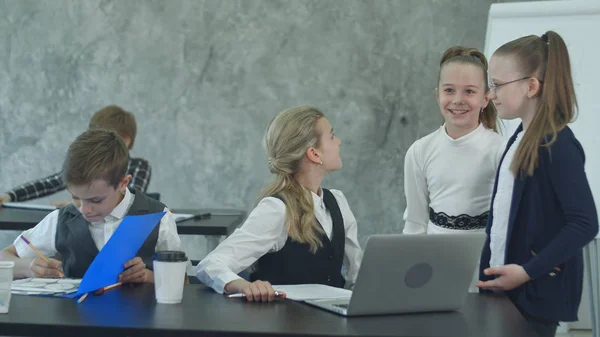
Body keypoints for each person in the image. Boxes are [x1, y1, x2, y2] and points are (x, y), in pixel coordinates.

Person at [477, 31, 598, 337]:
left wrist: (527, 272)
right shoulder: (519, 138)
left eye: (497, 85)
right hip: (506, 292)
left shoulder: (558, 145)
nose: (490, 95)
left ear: (531, 86)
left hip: (534, 297)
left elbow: (584, 223)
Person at [197, 106, 363, 302]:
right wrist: (245, 286)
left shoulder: (338, 202)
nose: (339, 141)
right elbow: (210, 265)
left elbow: (357, 274)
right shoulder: (277, 209)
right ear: (314, 154)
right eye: (332, 136)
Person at [0, 129, 184, 283]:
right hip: (73, 323)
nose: (84, 209)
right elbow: (5, 257)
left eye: (96, 200)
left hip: (140, 323)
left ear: (123, 183)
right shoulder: (61, 220)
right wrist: (29, 268)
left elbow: (183, 282)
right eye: (75, 198)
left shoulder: (157, 217)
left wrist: (149, 277)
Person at [403, 46, 505, 235]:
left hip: (484, 259)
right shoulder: (419, 151)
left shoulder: (500, 150)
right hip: (434, 258)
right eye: (449, 90)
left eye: (469, 91)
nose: (458, 100)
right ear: (438, 95)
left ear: (485, 98)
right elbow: (415, 222)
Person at [0, 106, 151, 206]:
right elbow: (52, 182)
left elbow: (131, 197)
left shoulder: (138, 166)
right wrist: (11, 195)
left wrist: (79, 204)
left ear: (125, 140)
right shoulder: (86, 163)